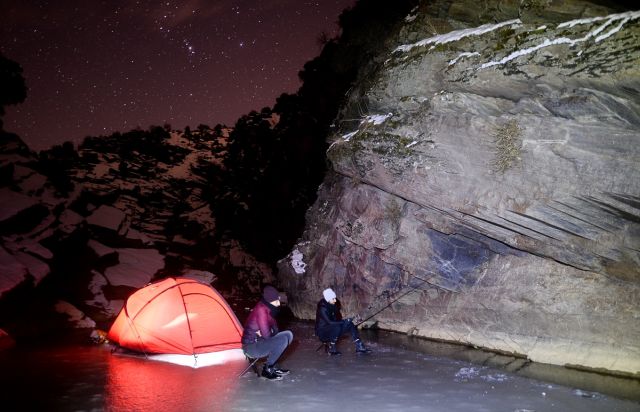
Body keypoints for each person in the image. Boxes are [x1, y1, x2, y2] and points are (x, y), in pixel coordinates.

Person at [242, 285, 293, 380]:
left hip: (260, 341)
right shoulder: (261, 310)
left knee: (288, 334)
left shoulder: (269, 309)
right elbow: (267, 335)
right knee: (282, 340)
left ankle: (274, 366)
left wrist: (268, 332)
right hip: (251, 346)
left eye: (278, 299)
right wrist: (268, 332)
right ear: (270, 300)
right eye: (276, 301)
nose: (279, 303)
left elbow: (275, 330)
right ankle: (267, 369)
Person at [315, 288, 371, 355]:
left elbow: (337, 320)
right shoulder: (322, 309)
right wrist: (344, 322)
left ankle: (359, 346)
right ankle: (332, 349)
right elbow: (330, 322)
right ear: (328, 299)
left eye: (335, 298)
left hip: (333, 329)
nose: (335, 300)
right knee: (338, 326)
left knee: (350, 323)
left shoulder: (332, 305)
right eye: (333, 299)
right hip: (323, 332)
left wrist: (348, 321)